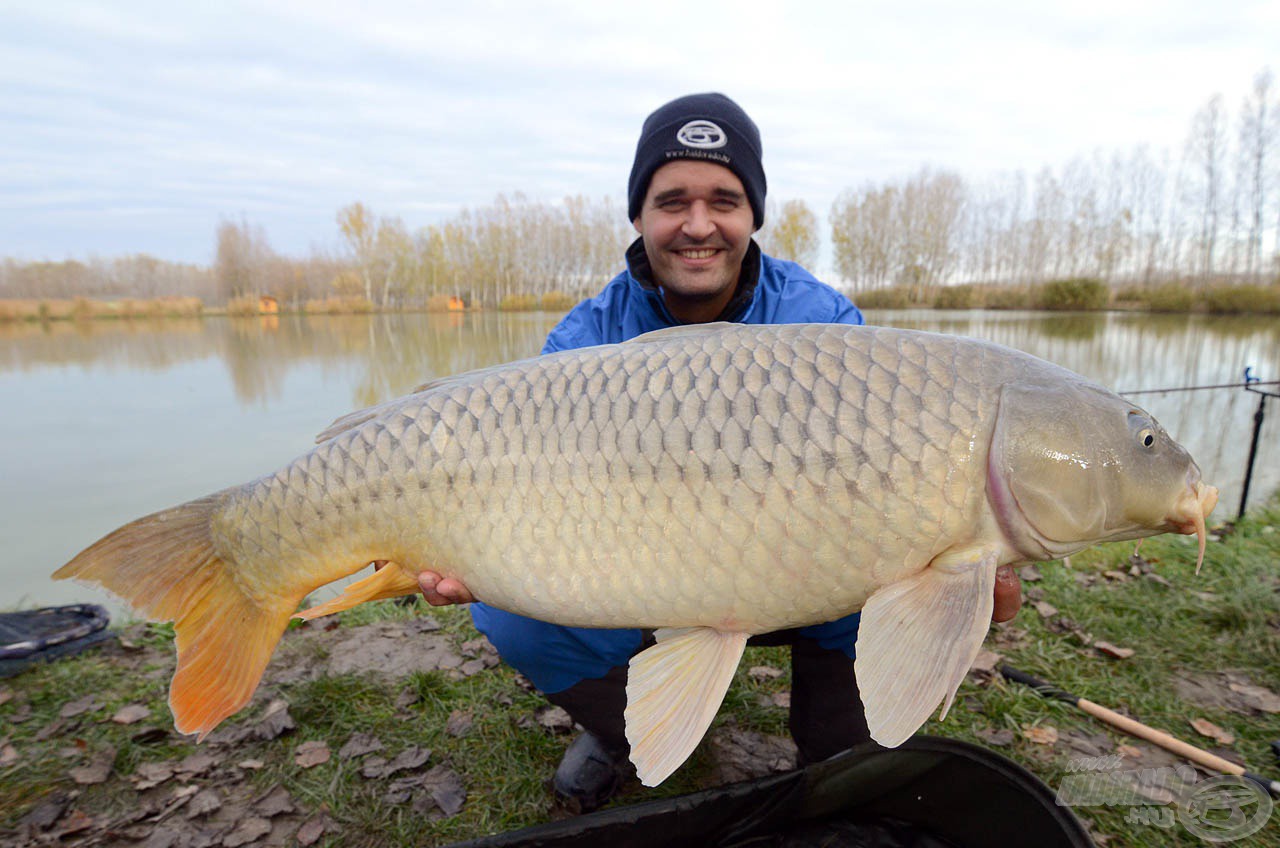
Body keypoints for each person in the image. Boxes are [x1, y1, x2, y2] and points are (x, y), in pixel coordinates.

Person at [409, 93, 1023, 812]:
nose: (698, 225)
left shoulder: (824, 323)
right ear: (638, 215)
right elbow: (517, 484)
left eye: (724, 200)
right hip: (644, 569)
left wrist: (968, 565)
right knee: (513, 614)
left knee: (848, 753)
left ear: (753, 215)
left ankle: (834, 739)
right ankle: (626, 729)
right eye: (672, 200)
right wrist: (482, 552)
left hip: (816, 574)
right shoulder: (584, 340)